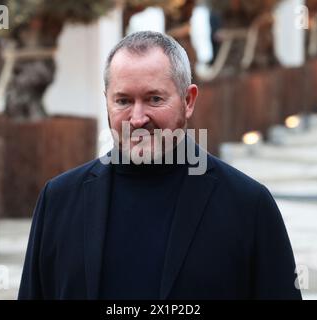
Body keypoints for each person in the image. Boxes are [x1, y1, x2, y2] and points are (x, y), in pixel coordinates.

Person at [18, 31, 302, 300]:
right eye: (123, 101)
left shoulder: (248, 205)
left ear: (188, 100)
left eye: (154, 99)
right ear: (107, 101)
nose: (138, 117)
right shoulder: (58, 200)